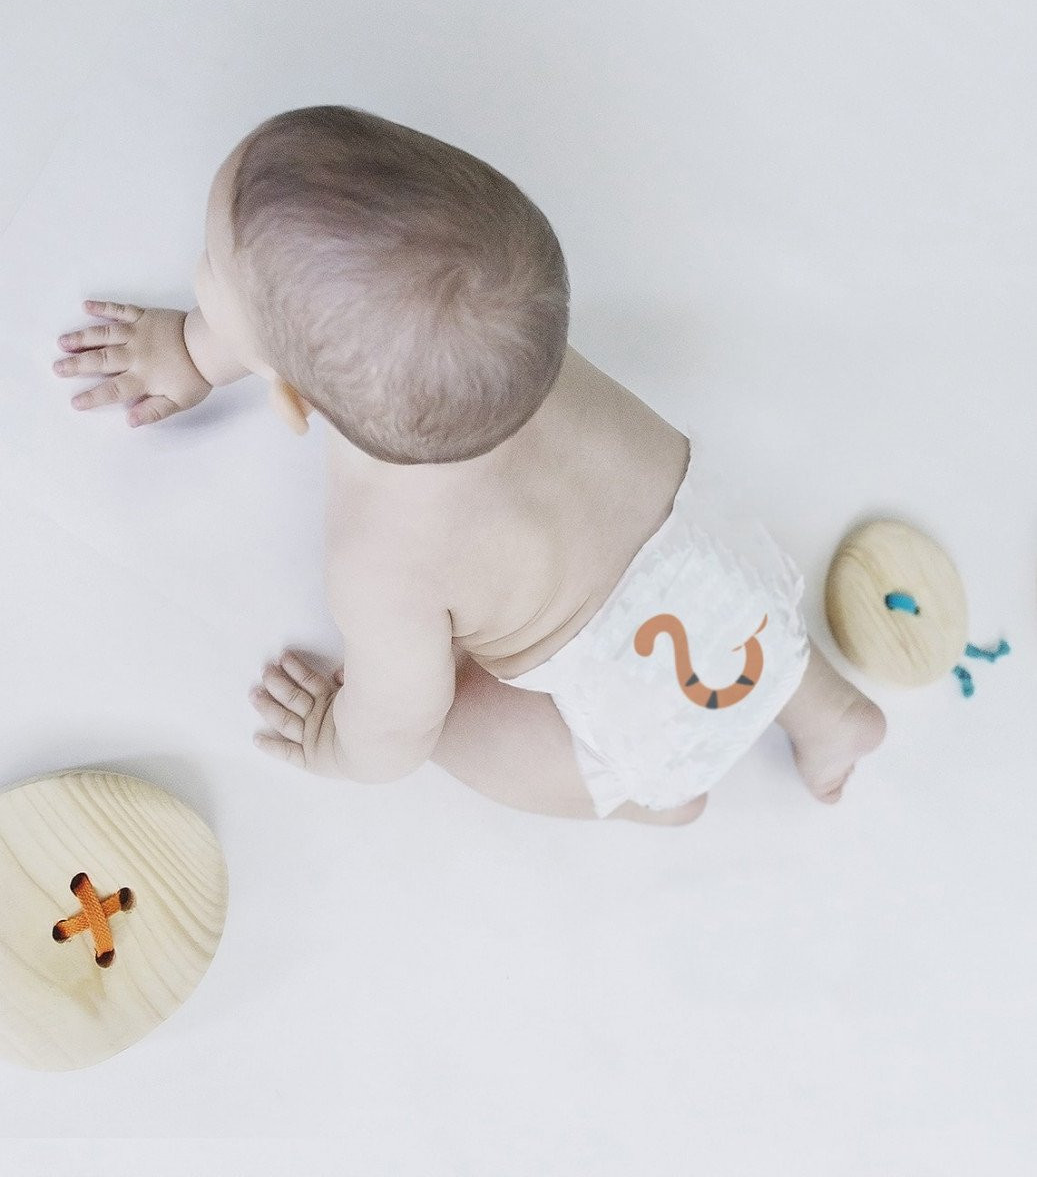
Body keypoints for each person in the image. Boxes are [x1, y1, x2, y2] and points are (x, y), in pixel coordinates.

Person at [53, 105, 885, 825]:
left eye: (209, 275)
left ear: (294, 402)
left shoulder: (381, 556)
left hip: (630, 707)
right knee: (747, 629)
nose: (197, 274)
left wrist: (332, 741)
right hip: (725, 569)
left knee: (450, 718)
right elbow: (300, 333)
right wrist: (194, 349)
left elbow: (397, 728)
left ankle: (655, 795)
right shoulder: (496, 342)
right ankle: (828, 713)